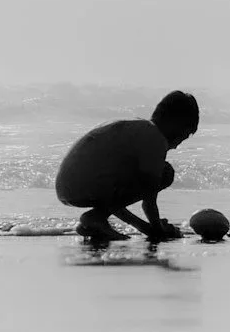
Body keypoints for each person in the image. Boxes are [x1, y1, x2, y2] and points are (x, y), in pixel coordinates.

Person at [55, 90, 199, 242]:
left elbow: (113, 197)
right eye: (182, 137)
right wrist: (157, 230)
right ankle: (95, 218)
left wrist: (146, 227)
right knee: (165, 174)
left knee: (147, 174)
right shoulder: (155, 138)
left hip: (68, 185)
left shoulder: (137, 127)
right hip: (86, 184)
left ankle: (95, 220)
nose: (176, 146)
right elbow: (148, 202)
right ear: (175, 123)